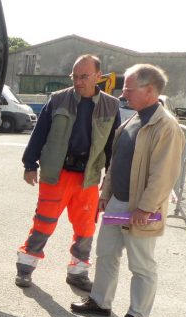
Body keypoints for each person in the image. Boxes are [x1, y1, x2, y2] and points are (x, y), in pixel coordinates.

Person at [71, 64, 185, 317]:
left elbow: (163, 174)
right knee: (106, 253)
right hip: (117, 202)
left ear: (149, 90)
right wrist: (105, 194)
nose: (124, 94)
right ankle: (100, 301)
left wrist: (145, 208)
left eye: (129, 89)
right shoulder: (133, 119)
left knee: (141, 263)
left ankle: (139, 314)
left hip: (140, 208)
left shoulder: (166, 126)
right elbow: (116, 162)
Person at [15, 54, 121, 291]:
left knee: (86, 228)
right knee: (44, 222)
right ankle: (25, 268)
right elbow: (39, 133)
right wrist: (30, 164)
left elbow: (111, 146)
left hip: (88, 178)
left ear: (98, 77)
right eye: (75, 76)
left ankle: (78, 273)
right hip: (57, 174)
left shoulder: (111, 106)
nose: (78, 81)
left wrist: (109, 180)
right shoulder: (57, 100)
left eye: (84, 76)